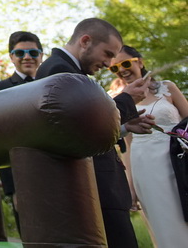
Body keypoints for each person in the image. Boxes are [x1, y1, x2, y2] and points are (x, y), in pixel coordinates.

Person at [35, 18, 154, 248]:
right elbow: (86, 124)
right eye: (108, 54)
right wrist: (127, 99)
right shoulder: (60, 70)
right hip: (95, 189)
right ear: (86, 41)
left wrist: (126, 127)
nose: (110, 63)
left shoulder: (64, 69)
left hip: (98, 188)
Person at [109, 46, 188, 248]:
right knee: (164, 220)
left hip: (179, 158)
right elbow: (127, 144)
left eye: (126, 63)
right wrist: (131, 184)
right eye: (115, 67)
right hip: (145, 166)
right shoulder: (118, 102)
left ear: (140, 62)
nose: (122, 70)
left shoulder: (167, 87)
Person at [0, 31, 43, 231]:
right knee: (31, 234)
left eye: (33, 52)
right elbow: (0, 142)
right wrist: (13, 189)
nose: (27, 57)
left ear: (41, 55)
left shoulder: (54, 84)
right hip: (22, 176)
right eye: (20, 53)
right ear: (11, 57)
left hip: (58, 173)